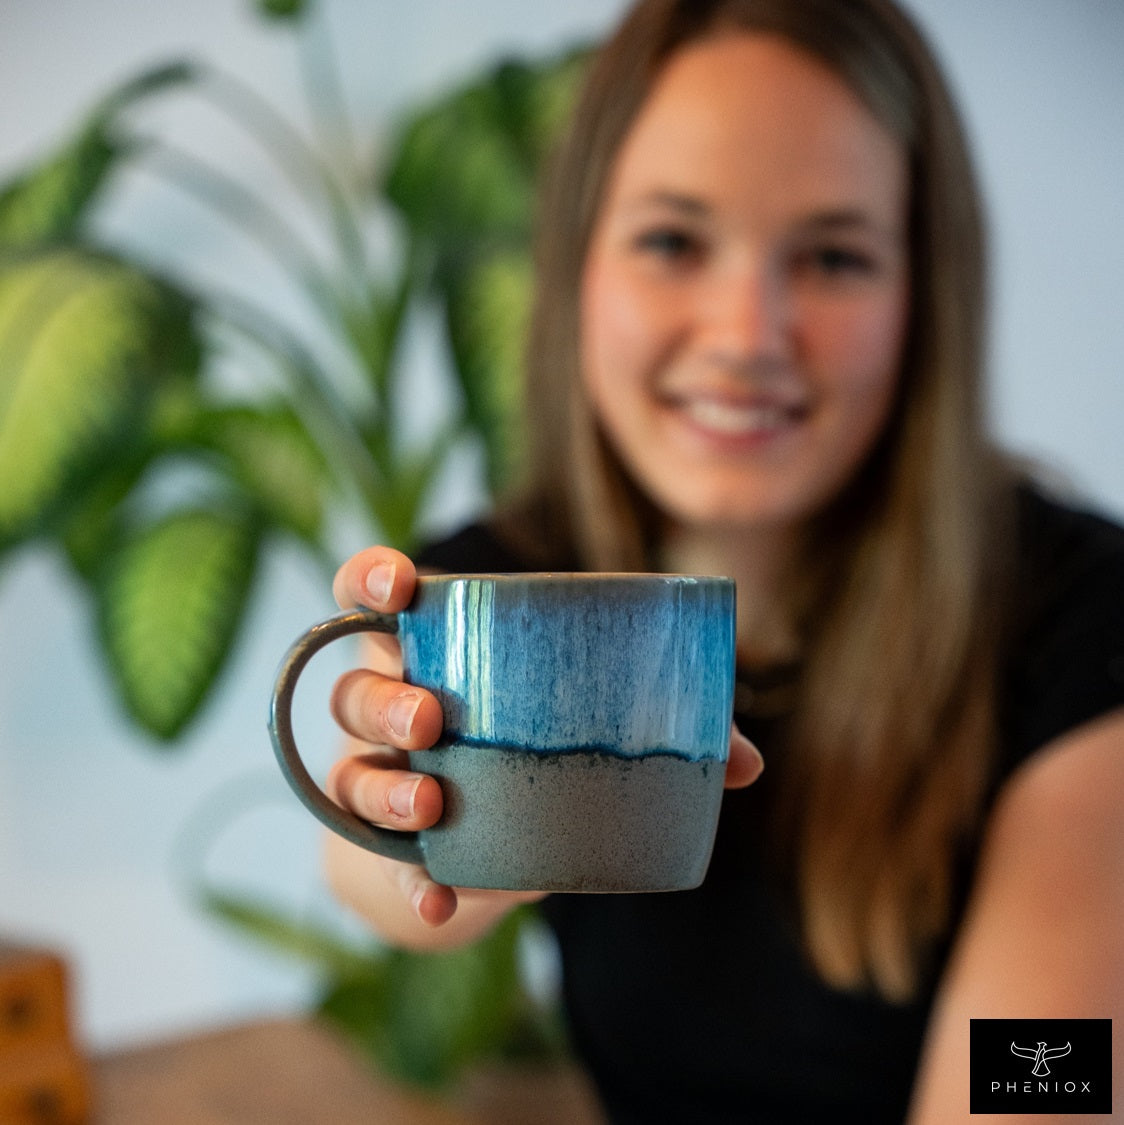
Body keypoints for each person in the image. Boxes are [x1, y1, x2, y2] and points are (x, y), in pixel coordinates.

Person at [322, 0, 1124, 1119]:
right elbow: (370, 880)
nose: (746, 334)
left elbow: (1052, 1072)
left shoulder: (1080, 615)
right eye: (672, 241)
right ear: (578, 266)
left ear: (924, 296)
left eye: (834, 256)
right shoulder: (492, 582)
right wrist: (403, 830)